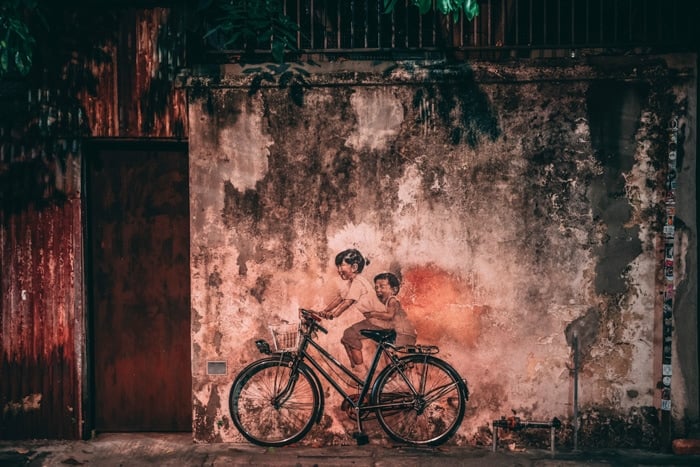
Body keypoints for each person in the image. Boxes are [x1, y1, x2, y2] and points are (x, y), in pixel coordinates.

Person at [316, 248, 385, 369]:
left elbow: (347, 303)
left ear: (354, 267)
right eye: (337, 266)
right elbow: (339, 299)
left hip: (380, 320)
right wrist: (324, 311)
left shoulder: (358, 283)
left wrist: (333, 315)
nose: (338, 270)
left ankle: (361, 372)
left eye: (341, 265)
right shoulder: (351, 283)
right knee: (346, 338)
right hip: (373, 319)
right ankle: (355, 368)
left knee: (349, 335)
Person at [371, 272, 417, 348]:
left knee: (391, 351)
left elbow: (390, 316)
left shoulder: (392, 300)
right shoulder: (386, 302)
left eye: (382, 287)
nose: (378, 290)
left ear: (394, 290)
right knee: (383, 347)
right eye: (376, 287)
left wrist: (373, 314)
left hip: (403, 333)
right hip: (400, 332)